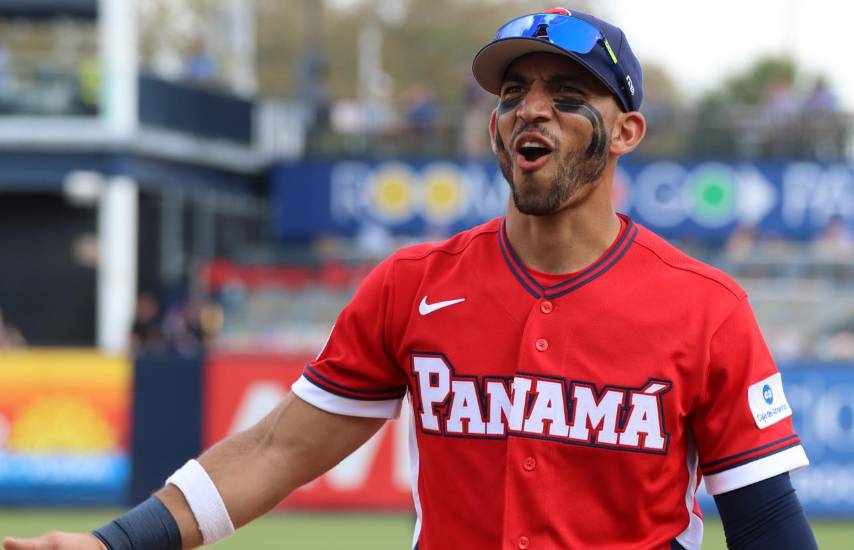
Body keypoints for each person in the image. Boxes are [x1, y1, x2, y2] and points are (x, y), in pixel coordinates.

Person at [3, 8, 817, 550]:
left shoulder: (706, 308)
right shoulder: (413, 283)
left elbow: (767, 521)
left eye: (568, 95)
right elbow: (280, 447)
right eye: (512, 94)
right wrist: (117, 543)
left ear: (627, 131)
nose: (532, 109)